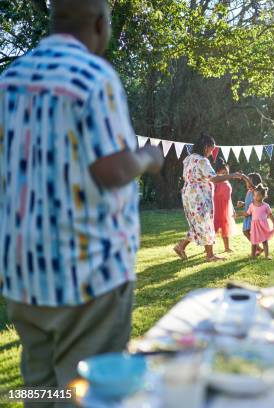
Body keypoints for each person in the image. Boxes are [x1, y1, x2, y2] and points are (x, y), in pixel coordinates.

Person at [0, 0, 164, 399]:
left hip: (22, 275)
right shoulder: (93, 76)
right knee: (86, 394)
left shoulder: (9, 79)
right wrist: (147, 158)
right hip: (88, 274)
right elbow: (110, 169)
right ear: (99, 23)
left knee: (41, 389)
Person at [174, 135, 242, 262]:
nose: (211, 153)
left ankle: (180, 246)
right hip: (199, 195)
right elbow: (214, 178)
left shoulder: (188, 159)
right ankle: (210, 255)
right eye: (211, 149)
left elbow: (186, 177)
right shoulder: (202, 160)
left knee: (197, 223)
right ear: (206, 147)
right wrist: (232, 175)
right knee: (206, 223)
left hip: (188, 194)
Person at [245, 184, 274, 260]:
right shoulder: (252, 205)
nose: (255, 197)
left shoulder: (266, 206)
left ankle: (267, 255)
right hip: (255, 226)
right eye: (254, 195)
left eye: (258, 195)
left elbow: (270, 215)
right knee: (254, 241)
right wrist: (238, 214)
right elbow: (247, 213)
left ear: (263, 196)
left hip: (263, 226)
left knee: (264, 241)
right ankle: (253, 256)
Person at [236, 172, 264, 255]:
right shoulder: (249, 192)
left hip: (253, 216)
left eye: (249, 181)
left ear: (254, 183)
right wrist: (243, 203)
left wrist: (244, 176)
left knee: (251, 233)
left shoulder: (256, 192)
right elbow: (250, 202)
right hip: (247, 217)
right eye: (246, 181)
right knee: (246, 232)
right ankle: (258, 249)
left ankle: (255, 252)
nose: (247, 183)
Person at [213, 159, 236, 253]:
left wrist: (233, 209)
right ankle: (208, 247)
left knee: (225, 227)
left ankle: (227, 247)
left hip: (226, 209)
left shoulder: (227, 182)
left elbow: (229, 198)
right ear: (218, 172)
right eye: (223, 173)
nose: (226, 175)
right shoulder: (215, 181)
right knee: (214, 228)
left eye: (227, 173)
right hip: (217, 208)